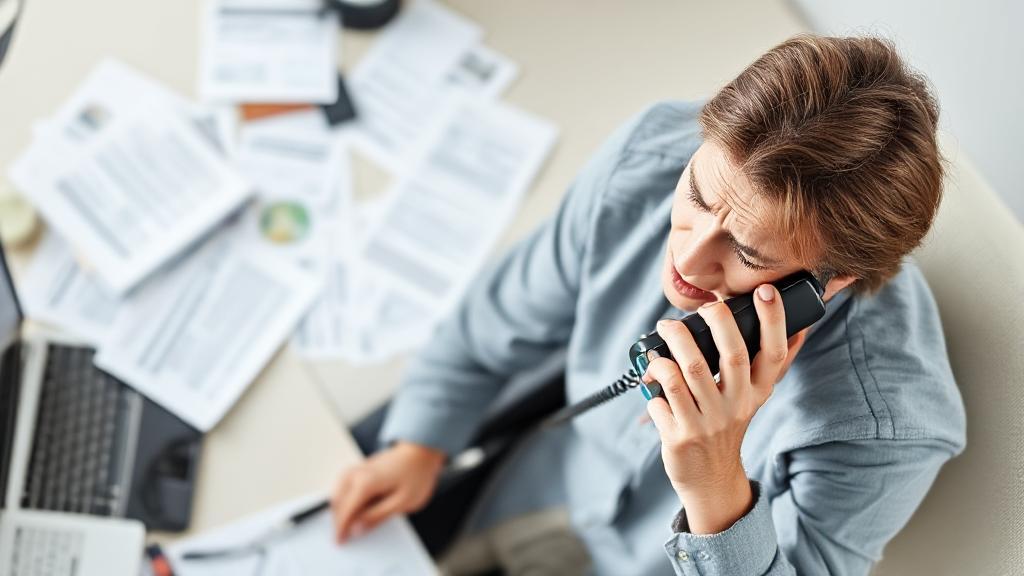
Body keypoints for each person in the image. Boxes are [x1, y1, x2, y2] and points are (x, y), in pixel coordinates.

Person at [331, 35, 966, 575]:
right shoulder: (647, 158)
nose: (686, 264)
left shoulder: (885, 428)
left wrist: (715, 481)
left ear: (833, 281)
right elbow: (491, 325)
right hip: (535, 487)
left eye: (746, 252)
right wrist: (419, 445)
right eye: (696, 196)